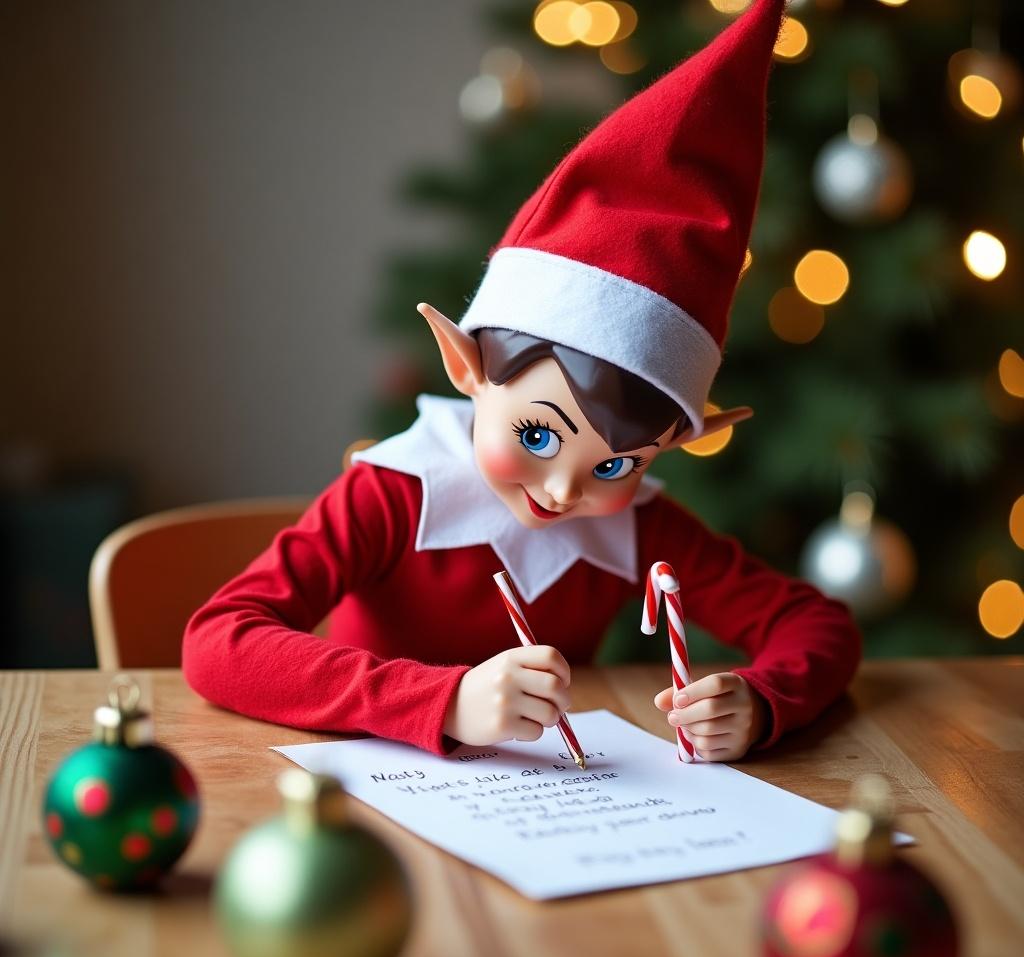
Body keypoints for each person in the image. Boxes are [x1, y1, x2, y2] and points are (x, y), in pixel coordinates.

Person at [182, 0, 861, 762]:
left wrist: (763, 703)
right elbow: (219, 642)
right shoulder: (392, 495)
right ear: (467, 367)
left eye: (613, 464)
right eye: (538, 434)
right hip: (375, 811)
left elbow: (820, 628)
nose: (567, 493)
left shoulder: (638, 525)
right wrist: (443, 700)